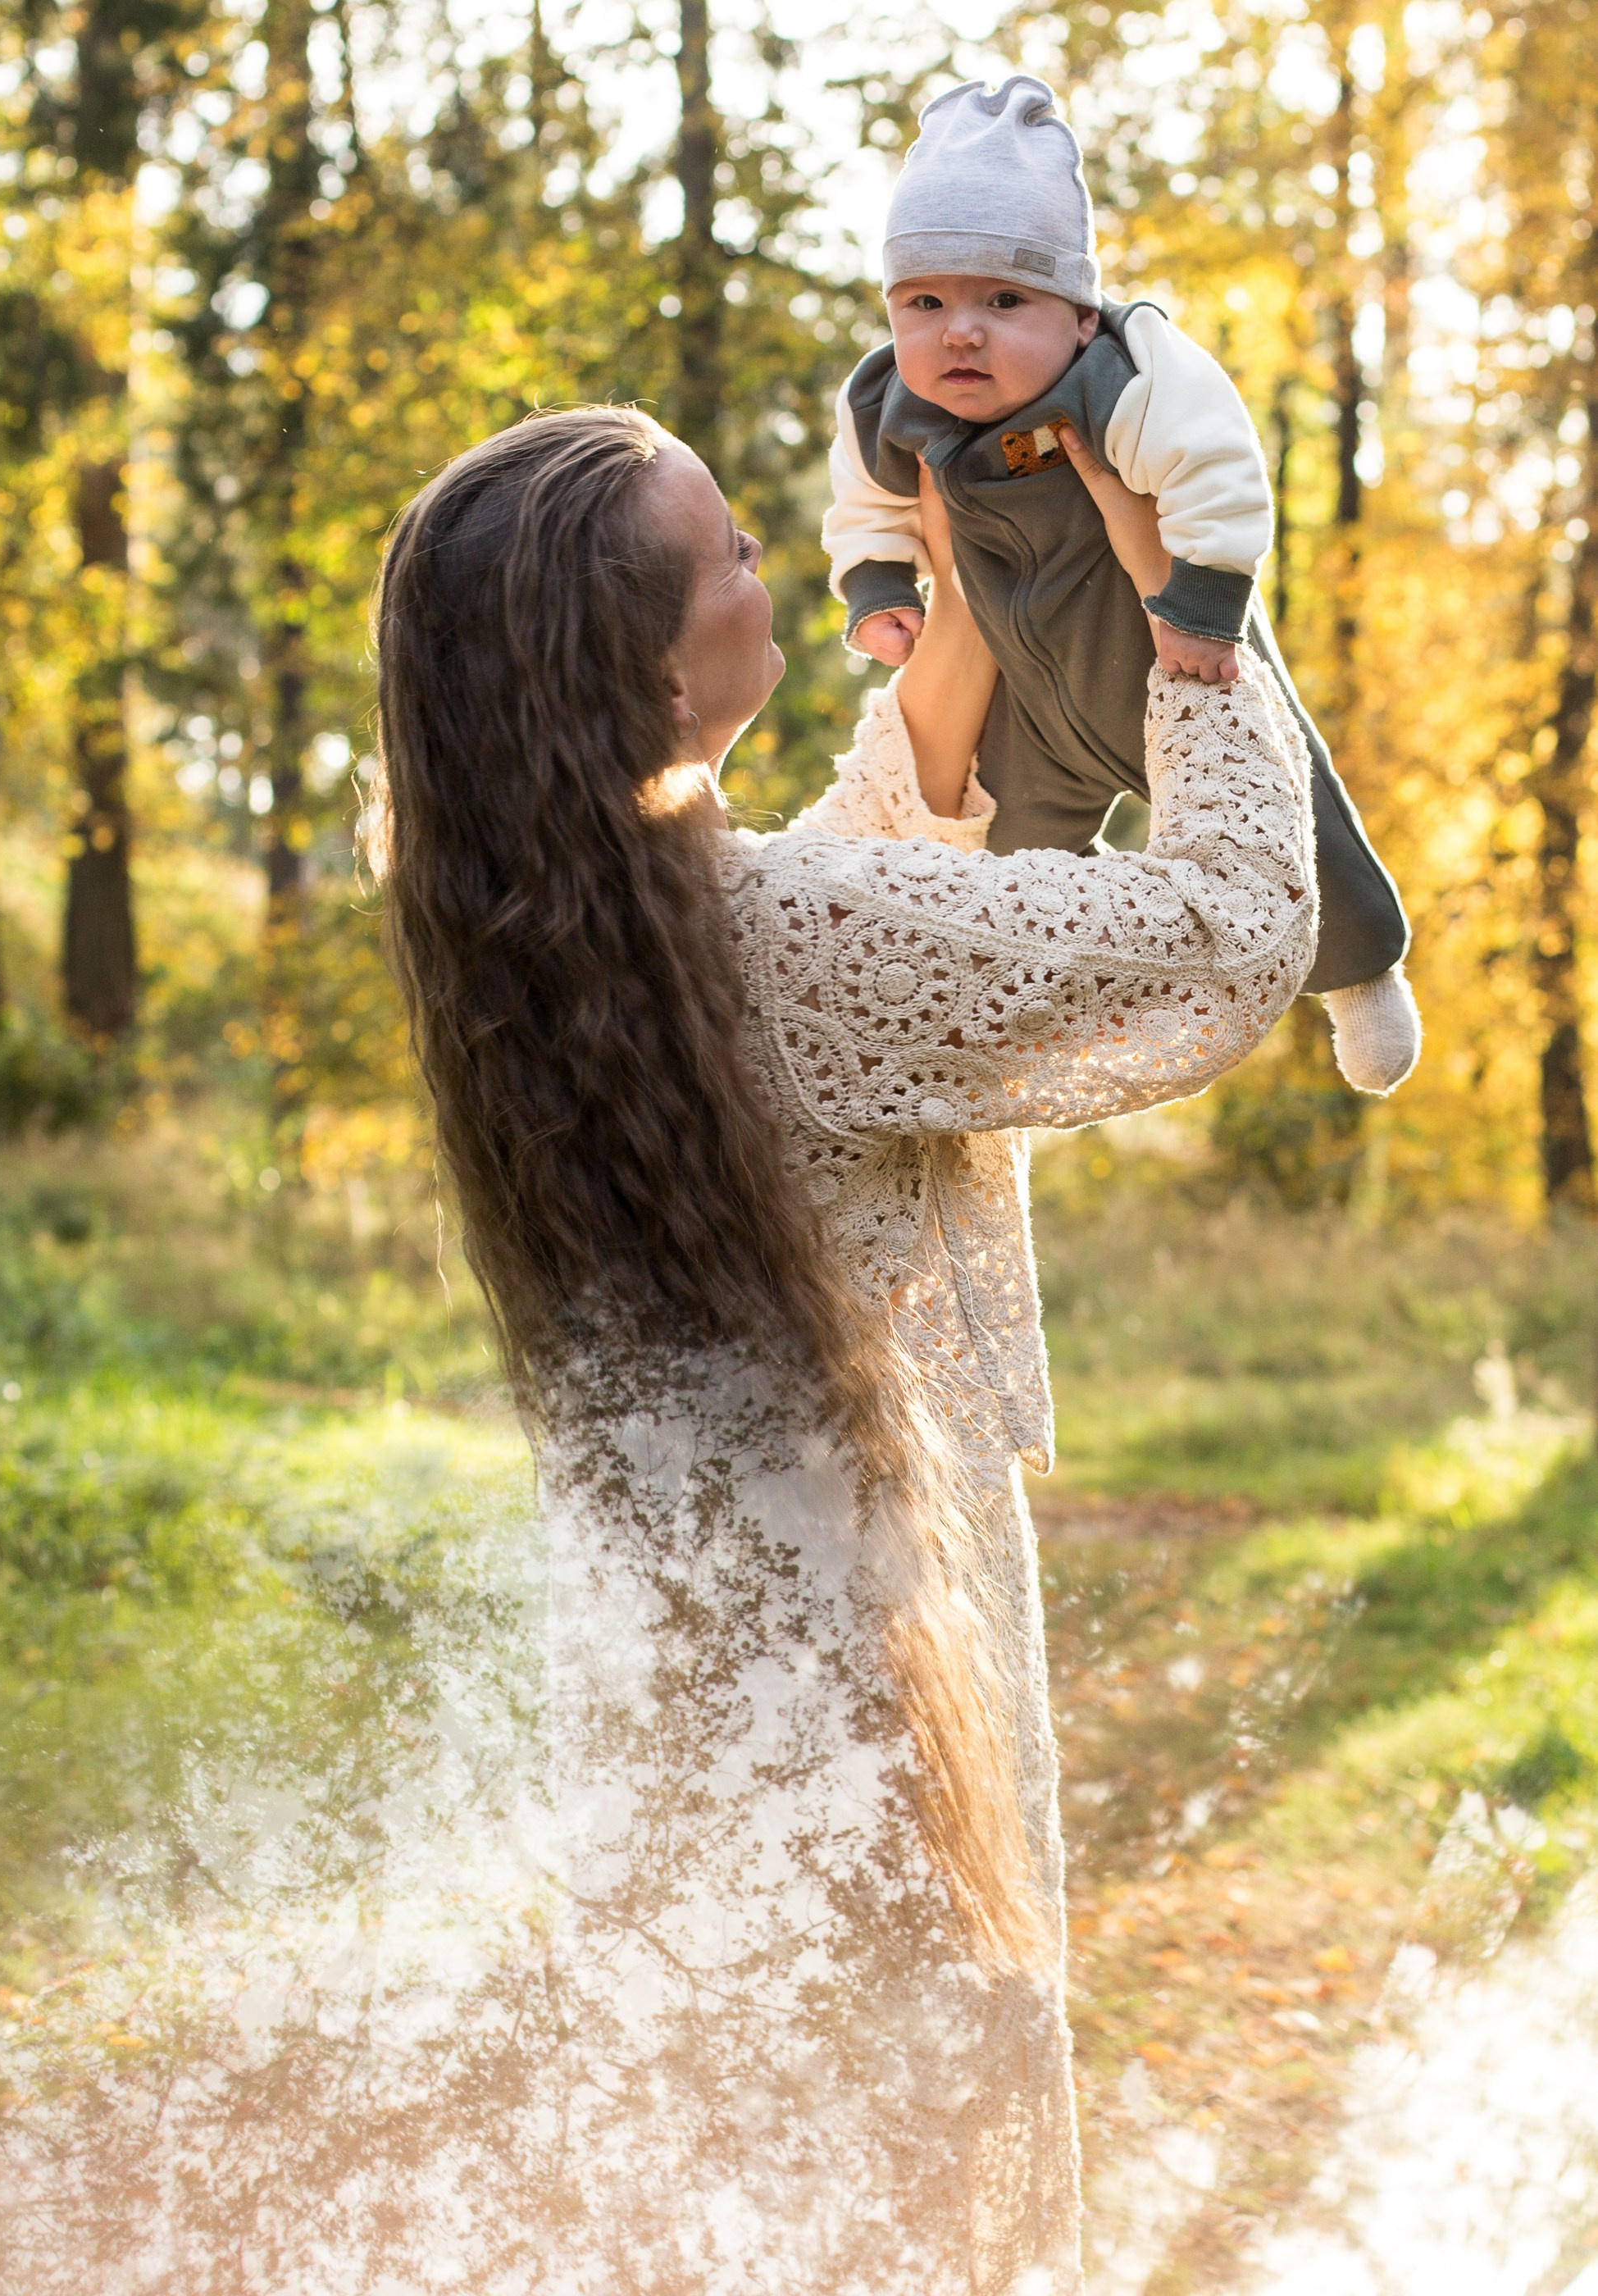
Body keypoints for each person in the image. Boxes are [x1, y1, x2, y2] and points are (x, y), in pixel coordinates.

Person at [371, 400, 1317, 2291]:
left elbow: (858, 898)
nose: (761, 567)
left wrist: (964, 605)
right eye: (724, 552)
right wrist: (1190, 598)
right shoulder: (781, 947)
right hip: (871, 1690)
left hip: (681, 1692)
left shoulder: (545, 921)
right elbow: (1232, 930)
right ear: (644, 667)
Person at [822, 73, 1421, 1100]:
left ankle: (1362, 974)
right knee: (1005, 866)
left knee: (1288, 807)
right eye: (925, 302)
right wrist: (878, 582)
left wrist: (1197, 601)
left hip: (1167, 649)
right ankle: (1050, 1011)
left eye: (1004, 301)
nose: (959, 331)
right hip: (1032, 690)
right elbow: (864, 500)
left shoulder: (1127, 372)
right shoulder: (886, 398)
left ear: (1078, 316)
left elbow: (1219, 470)